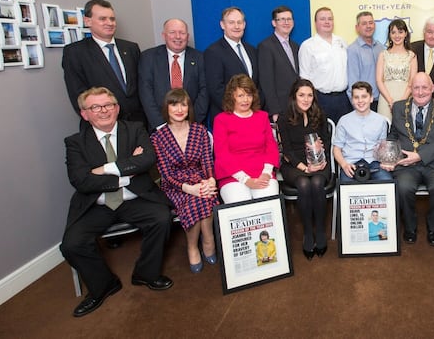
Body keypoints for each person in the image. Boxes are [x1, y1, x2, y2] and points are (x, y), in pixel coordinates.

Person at [61, 87, 173, 318]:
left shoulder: (135, 129)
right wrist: (126, 172)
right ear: (84, 114)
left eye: (108, 105)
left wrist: (102, 170)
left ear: (117, 108)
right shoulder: (75, 142)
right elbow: (81, 181)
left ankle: (146, 274)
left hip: (135, 198)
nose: (103, 111)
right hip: (97, 203)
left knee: (162, 218)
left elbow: (147, 159)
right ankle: (103, 285)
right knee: (71, 244)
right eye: (95, 107)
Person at [383, 72, 434, 246]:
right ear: (410, 89)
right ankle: (410, 227)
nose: (420, 92)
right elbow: (393, 136)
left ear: (433, 88)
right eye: (416, 88)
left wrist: (420, 156)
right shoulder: (399, 107)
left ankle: (433, 227)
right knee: (403, 187)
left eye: (424, 87)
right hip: (406, 163)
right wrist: (389, 157)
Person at [151, 88, 218, 274]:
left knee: (206, 194)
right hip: (175, 185)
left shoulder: (200, 130)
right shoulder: (158, 137)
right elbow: (166, 174)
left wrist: (211, 180)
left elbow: (207, 161)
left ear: (189, 108)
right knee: (194, 200)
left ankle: (208, 239)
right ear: (167, 108)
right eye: (174, 105)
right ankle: (193, 246)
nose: (179, 109)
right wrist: (189, 188)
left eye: (183, 105)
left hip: (200, 178)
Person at [62, 0, 145, 124]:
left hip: (138, 123)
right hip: (102, 124)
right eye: (102, 19)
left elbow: (142, 85)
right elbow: (78, 94)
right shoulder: (75, 52)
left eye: (112, 19)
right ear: (88, 21)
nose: (109, 23)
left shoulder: (131, 48)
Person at [277, 79, 332, 260]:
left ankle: (320, 231)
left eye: (309, 95)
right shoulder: (284, 117)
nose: (306, 99)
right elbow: (287, 151)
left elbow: (326, 142)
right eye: (301, 95)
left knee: (317, 182)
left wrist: (321, 157)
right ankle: (308, 232)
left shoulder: (319, 114)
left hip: (318, 162)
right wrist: (304, 168)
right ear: (294, 96)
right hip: (294, 164)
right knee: (303, 183)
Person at [213, 74, 279, 203]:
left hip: (262, 173)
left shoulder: (262, 117)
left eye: (249, 95)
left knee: (269, 205)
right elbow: (222, 155)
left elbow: (271, 147)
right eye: (240, 95)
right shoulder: (221, 120)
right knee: (242, 205)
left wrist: (266, 173)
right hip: (233, 176)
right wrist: (246, 180)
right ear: (232, 97)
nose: (245, 100)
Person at [139, 18, 208, 131]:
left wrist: (191, 123)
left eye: (182, 33)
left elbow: (204, 91)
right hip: (159, 127)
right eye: (172, 32)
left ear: (188, 36)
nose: (178, 37)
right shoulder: (148, 57)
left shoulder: (200, 58)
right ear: (164, 35)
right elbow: (146, 93)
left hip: (192, 126)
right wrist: (161, 125)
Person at [204, 7, 259, 124]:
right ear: (222, 25)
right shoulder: (213, 52)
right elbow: (215, 89)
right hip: (228, 117)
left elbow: (257, 83)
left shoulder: (252, 50)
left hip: (252, 116)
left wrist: (253, 110)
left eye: (239, 22)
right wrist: (238, 112)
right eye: (231, 22)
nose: (236, 26)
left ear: (244, 24)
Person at [333, 81, 392, 182]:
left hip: (374, 163)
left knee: (387, 181)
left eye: (364, 96)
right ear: (352, 100)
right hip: (351, 164)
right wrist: (344, 165)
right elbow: (336, 149)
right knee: (346, 187)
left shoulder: (381, 120)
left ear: (371, 98)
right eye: (356, 97)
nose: (360, 101)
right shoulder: (344, 121)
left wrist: (386, 161)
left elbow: (382, 147)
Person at [298, 7, 349, 123]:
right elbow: (304, 77)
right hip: (320, 99)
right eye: (323, 19)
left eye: (330, 19)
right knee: (323, 131)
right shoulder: (308, 46)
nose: (327, 22)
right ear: (315, 23)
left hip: (343, 99)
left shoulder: (342, 42)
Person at [257, 5, 300, 121]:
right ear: (274, 23)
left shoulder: (295, 46)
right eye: (282, 19)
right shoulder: (266, 46)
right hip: (279, 109)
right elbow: (266, 82)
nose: (286, 22)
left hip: (296, 106)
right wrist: (274, 110)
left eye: (289, 19)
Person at [376, 18, 417, 120]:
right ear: (389, 35)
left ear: (406, 34)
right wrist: (390, 101)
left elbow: (412, 82)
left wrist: (401, 102)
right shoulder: (383, 55)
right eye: (393, 32)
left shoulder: (412, 56)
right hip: (386, 98)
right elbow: (379, 81)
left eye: (400, 32)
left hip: (405, 98)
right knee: (385, 126)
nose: (397, 35)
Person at [347, 11, 385, 111]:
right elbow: (353, 82)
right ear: (357, 28)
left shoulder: (380, 48)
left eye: (370, 23)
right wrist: (357, 107)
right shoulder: (353, 50)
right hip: (364, 104)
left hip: (382, 101)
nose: (368, 26)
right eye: (364, 24)